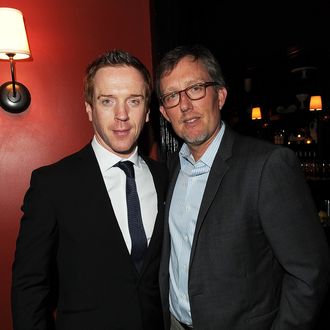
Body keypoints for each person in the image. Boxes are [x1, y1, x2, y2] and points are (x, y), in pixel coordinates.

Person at [155, 44, 330, 330]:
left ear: (220, 96)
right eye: (172, 96)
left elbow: (309, 273)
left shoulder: (267, 165)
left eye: (196, 88)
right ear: (164, 112)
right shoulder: (172, 168)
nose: (185, 104)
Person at [11, 50, 168, 330]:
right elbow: (29, 287)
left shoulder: (165, 178)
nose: (122, 115)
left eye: (134, 101)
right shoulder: (52, 184)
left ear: (147, 112)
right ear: (89, 109)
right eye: (107, 101)